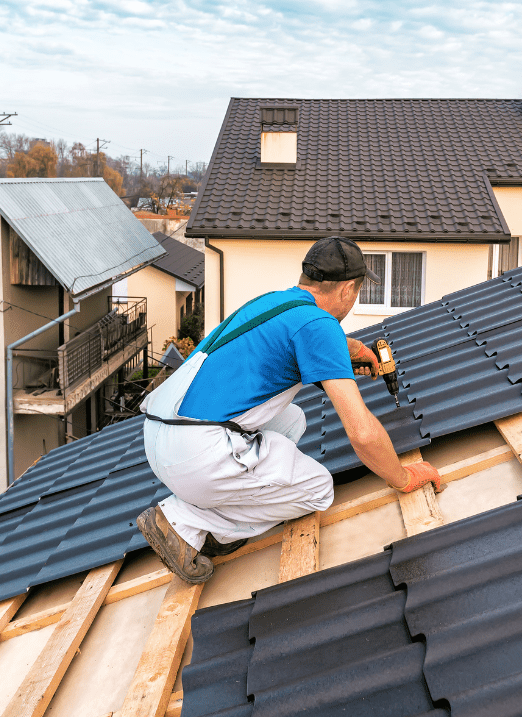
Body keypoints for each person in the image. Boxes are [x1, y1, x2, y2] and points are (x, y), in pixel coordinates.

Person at [136, 236, 445, 583]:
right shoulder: (319, 325)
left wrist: (351, 349)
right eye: (357, 292)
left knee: (293, 418)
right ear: (346, 290)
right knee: (317, 489)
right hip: (196, 454)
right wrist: (404, 478)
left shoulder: (275, 303)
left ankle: (218, 507)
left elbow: (298, 340)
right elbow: (361, 433)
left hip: (161, 434)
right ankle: (185, 522)